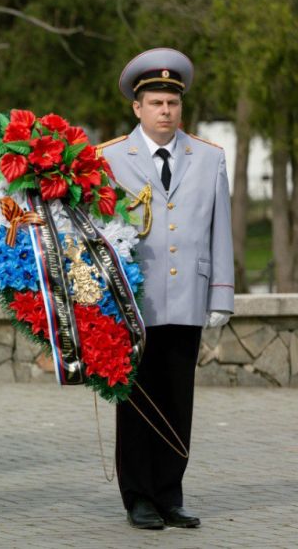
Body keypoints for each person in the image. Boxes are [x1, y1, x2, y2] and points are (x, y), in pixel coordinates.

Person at [97, 48, 234, 530]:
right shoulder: (110, 157)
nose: (165, 111)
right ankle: (138, 495)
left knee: (178, 397)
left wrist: (221, 292)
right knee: (137, 399)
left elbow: (220, 229)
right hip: (134, 299)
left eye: (172, 103)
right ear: (137, 107)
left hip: (188, 296)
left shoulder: (209, 157)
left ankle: (170, 493)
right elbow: (96, 231)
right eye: (156, 103)